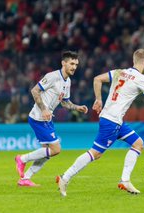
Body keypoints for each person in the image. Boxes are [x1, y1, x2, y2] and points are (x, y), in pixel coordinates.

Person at [56, 49, 144, 196]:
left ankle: (125, 181)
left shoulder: (119, 72)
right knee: (95, 153)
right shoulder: (140, 79)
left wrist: (98, 98)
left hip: (115, 120)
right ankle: (65, 177)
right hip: (111, 121)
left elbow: (97, 79)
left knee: (138, 144)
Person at [14, 51, 88, 187]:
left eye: (76, 64)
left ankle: (25, 179)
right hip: (39, 117)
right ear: (63, 63)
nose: (74, 67)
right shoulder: (52, 77)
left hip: (47, 119)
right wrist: (44, 109)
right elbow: (34, 91)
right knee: (56, 149)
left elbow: (65, 102)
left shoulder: (68, 81)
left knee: (47, 153)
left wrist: (77, 107)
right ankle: (22, 159)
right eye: (71, 63)